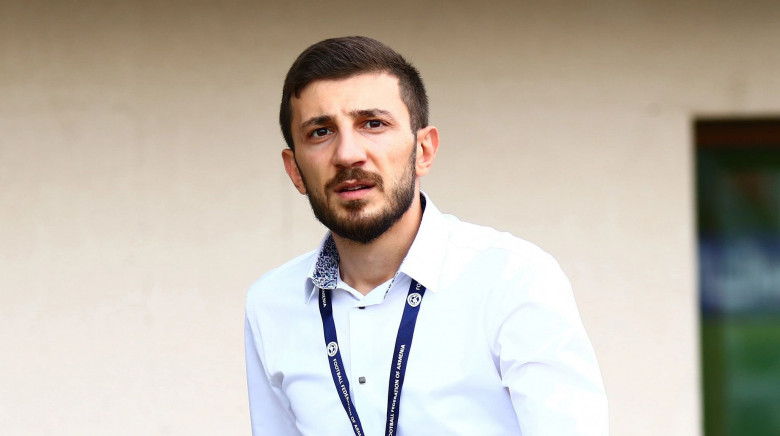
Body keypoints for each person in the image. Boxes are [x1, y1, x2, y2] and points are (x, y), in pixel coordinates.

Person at [245, 36, 608, 436]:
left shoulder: (512, 278)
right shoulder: (270, 304)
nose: (347, 154)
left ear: (424, 150)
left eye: (373, 124)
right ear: (295, 170)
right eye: (320, 132)